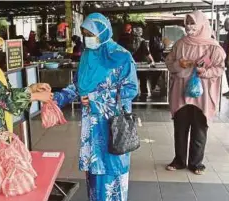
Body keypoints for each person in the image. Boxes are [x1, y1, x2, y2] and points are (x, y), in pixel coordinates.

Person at [53, 13, 138, 201]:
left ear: (103, 32)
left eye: (91, 34)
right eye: (85, 34)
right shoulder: (87, 56)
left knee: (111, 172)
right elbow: (78, 85)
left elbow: (130, 90)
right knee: (94, 175)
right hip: (92, 127)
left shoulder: (122, 56)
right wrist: (57, 98)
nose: (88, 39)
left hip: (112, 127)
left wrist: (95, 98)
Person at [165, 11, 226, 175]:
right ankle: (179, 160)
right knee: (180, 126)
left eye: (193, 23)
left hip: (203, 94)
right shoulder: (180, 44)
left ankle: (196, 162)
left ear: (201, 24)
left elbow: (220, 68)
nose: (189, 26)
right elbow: (169, 63)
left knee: (199, 128)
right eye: (188, 22)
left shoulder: (213, 46)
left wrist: (204, 72)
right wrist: (179, 63)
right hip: (180, 91)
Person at [132, 27, 155, 95]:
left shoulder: (131, 40)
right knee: (143, 80)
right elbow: (147, 53)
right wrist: (152, 60)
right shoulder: (142, 41)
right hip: (142, 63)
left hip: (133, 62)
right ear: (140, 33)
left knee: (134, 79)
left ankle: (134, 94)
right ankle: (144, 94)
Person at [149, 25, 166, 95]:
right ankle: (153, 86)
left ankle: (155, 85)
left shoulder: (157, 38)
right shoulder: (153, 38)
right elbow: (155, 48)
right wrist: (163, 47)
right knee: (156, 72)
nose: (160, 31)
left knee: (158, 72)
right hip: (156, 57)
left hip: (158, 57)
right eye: (159, 30)